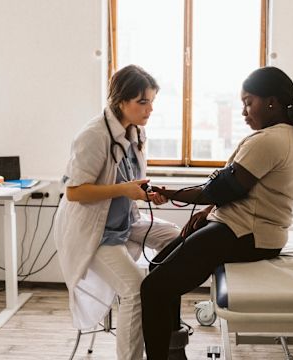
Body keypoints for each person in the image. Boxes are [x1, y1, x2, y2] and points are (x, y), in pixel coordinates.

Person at [140, 66, 293, 359]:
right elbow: (233, 190)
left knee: (154, 288)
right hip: (245, 229)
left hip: (247, 233)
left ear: (271, 102)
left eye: (248, 101)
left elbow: (220, 189)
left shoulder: (270, 140)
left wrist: (169, 194)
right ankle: (174, 352)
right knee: (158, 271)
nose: (244, 110)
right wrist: (208, 211)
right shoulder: (285, 136)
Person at [53, 65, 180, 360]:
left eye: (151, 102)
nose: (149, 110)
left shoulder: (136, 132)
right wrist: (124, 190)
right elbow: (75, 193)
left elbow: (128, 179)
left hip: (125, 221)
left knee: (178, 237)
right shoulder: (93, 136)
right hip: (94, 234)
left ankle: (164, 317)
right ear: (121, 101)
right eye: (143, 102)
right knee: (135, 290)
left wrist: (145, 192)